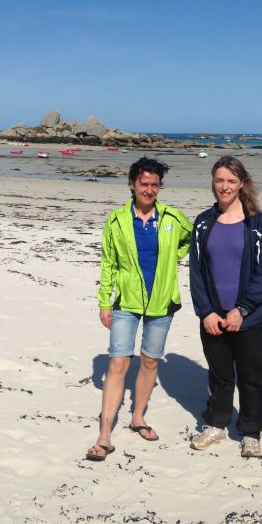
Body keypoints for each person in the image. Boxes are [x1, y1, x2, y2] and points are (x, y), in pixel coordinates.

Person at [88, 158, 192, 462]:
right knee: (118, 363)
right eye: (144, 184)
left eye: (154, 185)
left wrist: (171, 259)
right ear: (132, 185)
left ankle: (138, 417)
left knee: (149, 361)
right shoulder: (117, 220)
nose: (149, 190)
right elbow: (108, 263)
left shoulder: (173, 218)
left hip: (162, 301)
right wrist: (104, 301)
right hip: (126, 302)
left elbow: (189, 239)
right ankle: (104, 436)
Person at [188, 156, 262, 456]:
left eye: (230, 181)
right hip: (213, 317)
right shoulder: (203, 222)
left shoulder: (258, 224)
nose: (224, 186)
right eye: (219, 180)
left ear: (242, 184)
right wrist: (206, 312)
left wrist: (243, 309)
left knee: (252, 376)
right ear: (213, 183)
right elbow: (196, 271)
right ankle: (216, 424)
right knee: (219, 374)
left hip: (249, 319)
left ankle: (251, 432)